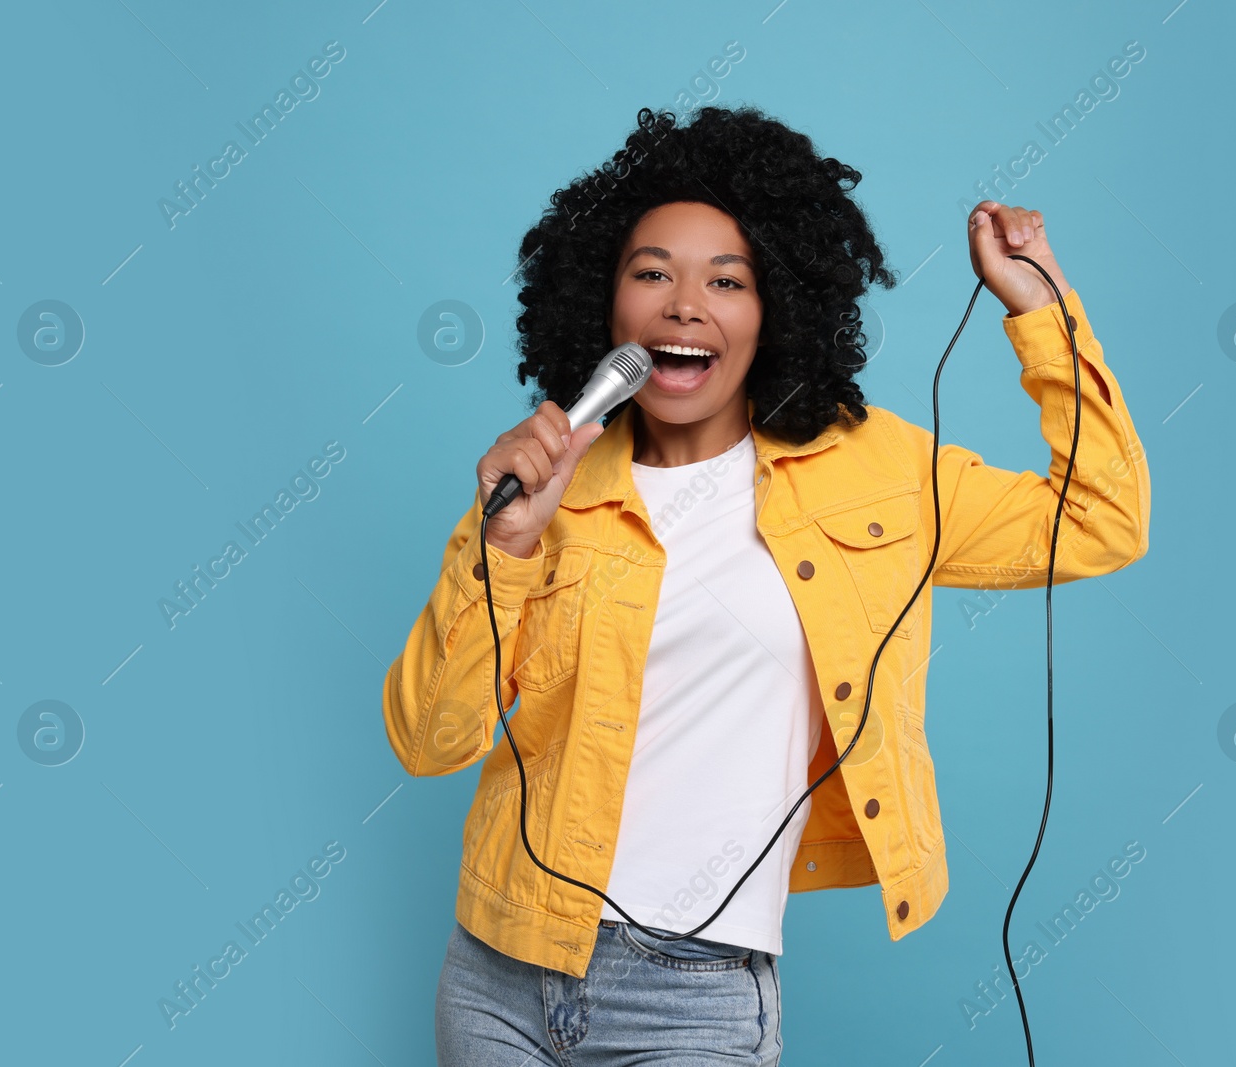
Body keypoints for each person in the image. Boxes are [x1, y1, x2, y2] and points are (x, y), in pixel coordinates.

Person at [383, 104, 1150, 1066]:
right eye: (652, 272)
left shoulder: (874, 470)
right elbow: (428, 743)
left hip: (696, 995)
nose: (683, 305)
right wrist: (506, 549)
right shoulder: (540, 485)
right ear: (605, 303)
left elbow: (1100, 517)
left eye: (727, 280)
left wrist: (1041, 308)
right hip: (499, 967)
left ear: (778, 306)